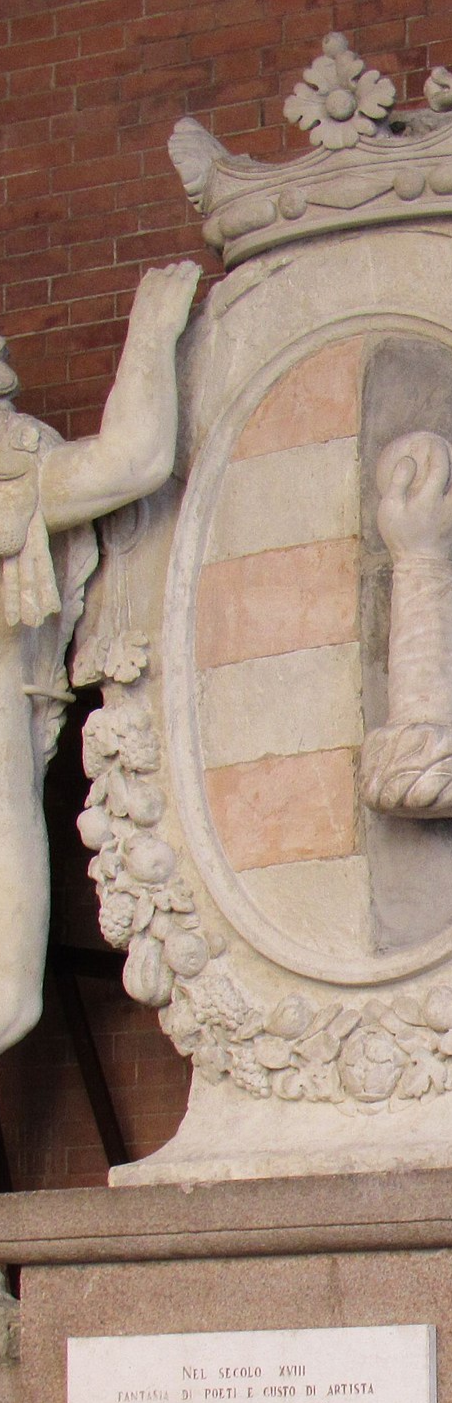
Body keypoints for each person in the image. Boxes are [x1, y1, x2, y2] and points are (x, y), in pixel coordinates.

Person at [0, 261, 201, 1053]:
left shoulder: (13, 479)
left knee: (9, 995)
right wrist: (152, 329)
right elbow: (135, 459)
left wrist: (151, 330)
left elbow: (135, 460)